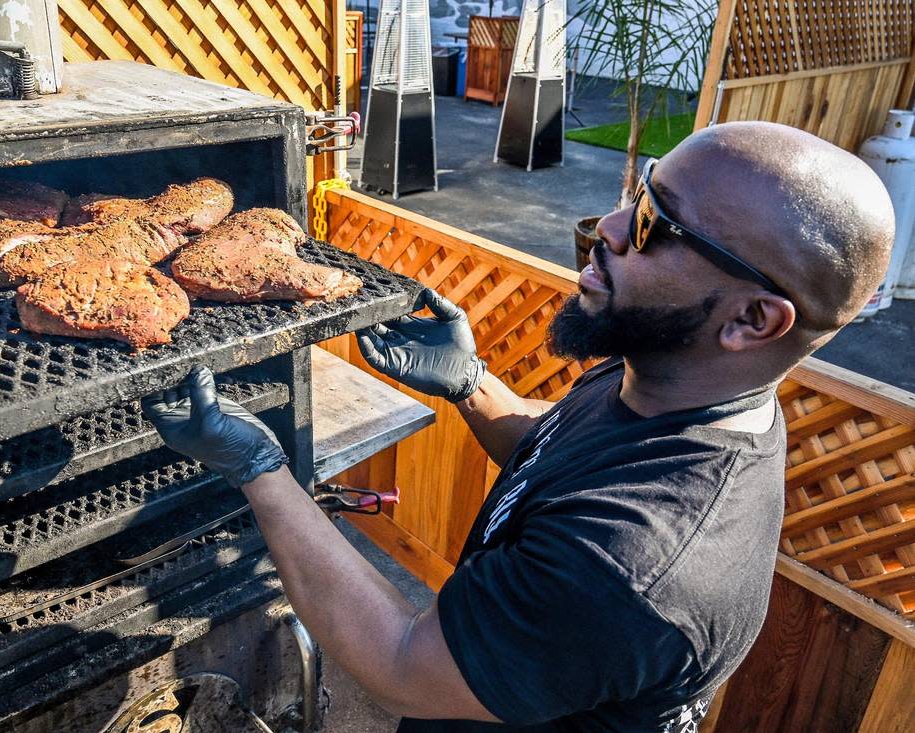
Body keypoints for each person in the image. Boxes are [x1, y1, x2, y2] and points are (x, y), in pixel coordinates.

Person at [142, 121, 894, 732]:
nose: (606, 226)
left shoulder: (634, 567)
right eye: (638, 191)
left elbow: (401, 661)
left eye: (653, 224)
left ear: (753, 319)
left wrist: (260, 466)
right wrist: (477, 391)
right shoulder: (678, 386)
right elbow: (565, 459)